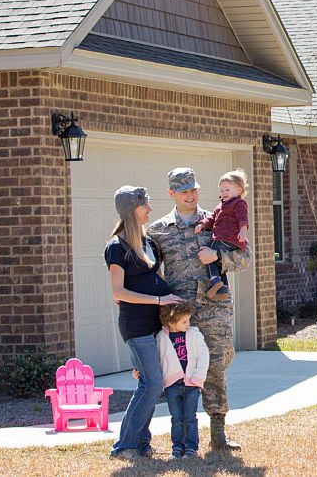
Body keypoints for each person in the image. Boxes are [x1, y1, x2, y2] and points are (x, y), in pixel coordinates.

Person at [146, 167, 245, 451]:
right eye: (184, 191)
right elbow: (148, 269)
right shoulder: (158, 231)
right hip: (179, 316)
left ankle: (218, 434)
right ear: (172, 194)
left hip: (215, 310)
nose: (191, 195)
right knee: (177, 372)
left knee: (215, 367)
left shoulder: (219, 220)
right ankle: (183, 437)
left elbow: (245, 257)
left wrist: (219, 256)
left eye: (194, 189)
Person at [104, 185, 184, 461]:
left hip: (155, 324)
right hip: (136, 326)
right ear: (131, 210)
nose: (150, 209)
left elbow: (157, 279)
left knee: (152, 382)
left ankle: (141, 442)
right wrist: (159, 302)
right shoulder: (117, 247)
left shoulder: (149, 243)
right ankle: (125, 445)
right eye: (145, 205)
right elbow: (118, 292)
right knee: (151, 384)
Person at [157, 301, 209, 459]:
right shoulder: (161, 337)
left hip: (192, 385)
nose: (188, 324)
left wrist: (198, 378)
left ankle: (191, 448)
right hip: (172, 386)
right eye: (184, 321)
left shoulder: (194, 334)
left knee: (190, 418)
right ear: (171, 322)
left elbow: (203, 355)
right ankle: (177, 448)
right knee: (177, 419)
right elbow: (156, 359)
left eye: (188, 320)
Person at [194, 170, 252, 301]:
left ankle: (214, 280)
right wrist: (202, 225)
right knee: (220, 264)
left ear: (239, 190)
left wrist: (243, 231)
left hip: (228, 238)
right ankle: (222, 288)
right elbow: (211, 218)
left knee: (208, 254)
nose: (223, 193)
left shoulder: (239, 203)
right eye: (221, 190)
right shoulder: (220, 206)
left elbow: (243, 218)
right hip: (223, 239)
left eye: (227, 190)